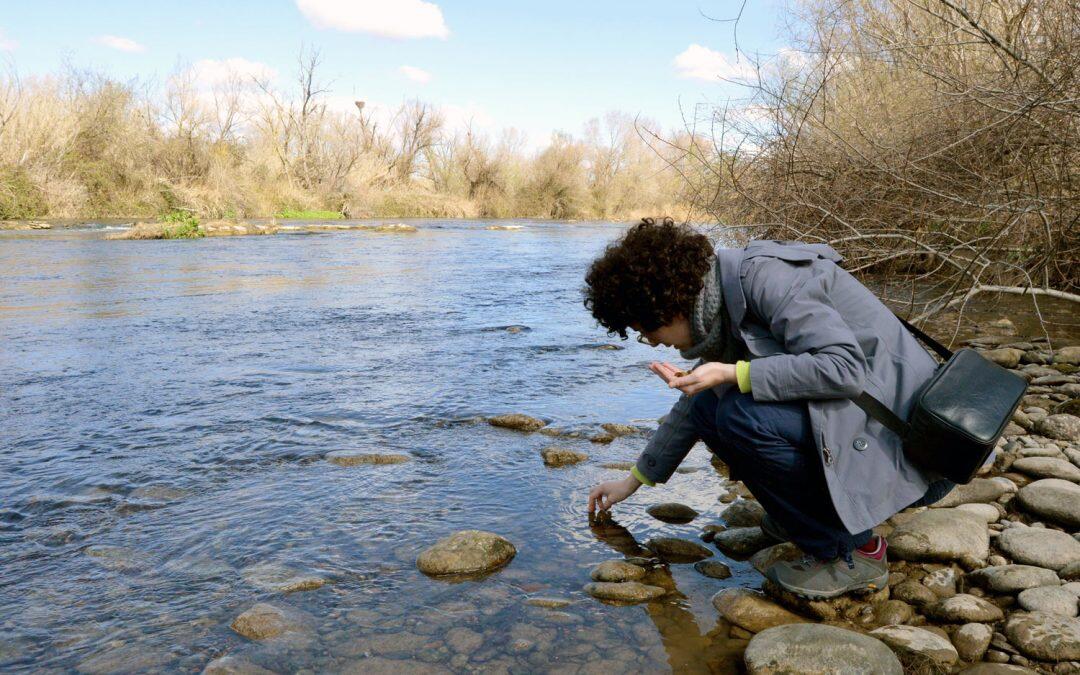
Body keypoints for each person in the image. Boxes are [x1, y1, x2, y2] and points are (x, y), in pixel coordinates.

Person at [583, 217, 953, 599]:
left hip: (917, 455)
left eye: (646, 332)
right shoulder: (720, 301)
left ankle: (853, 553)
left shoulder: (767, 280)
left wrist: (735, 373)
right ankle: (809, 517)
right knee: (711, 406)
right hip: (871, 432)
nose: (652, 342)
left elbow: (845, 369)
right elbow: (695, 403)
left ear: (667, 305)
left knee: (739, 416)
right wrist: (634, 479)